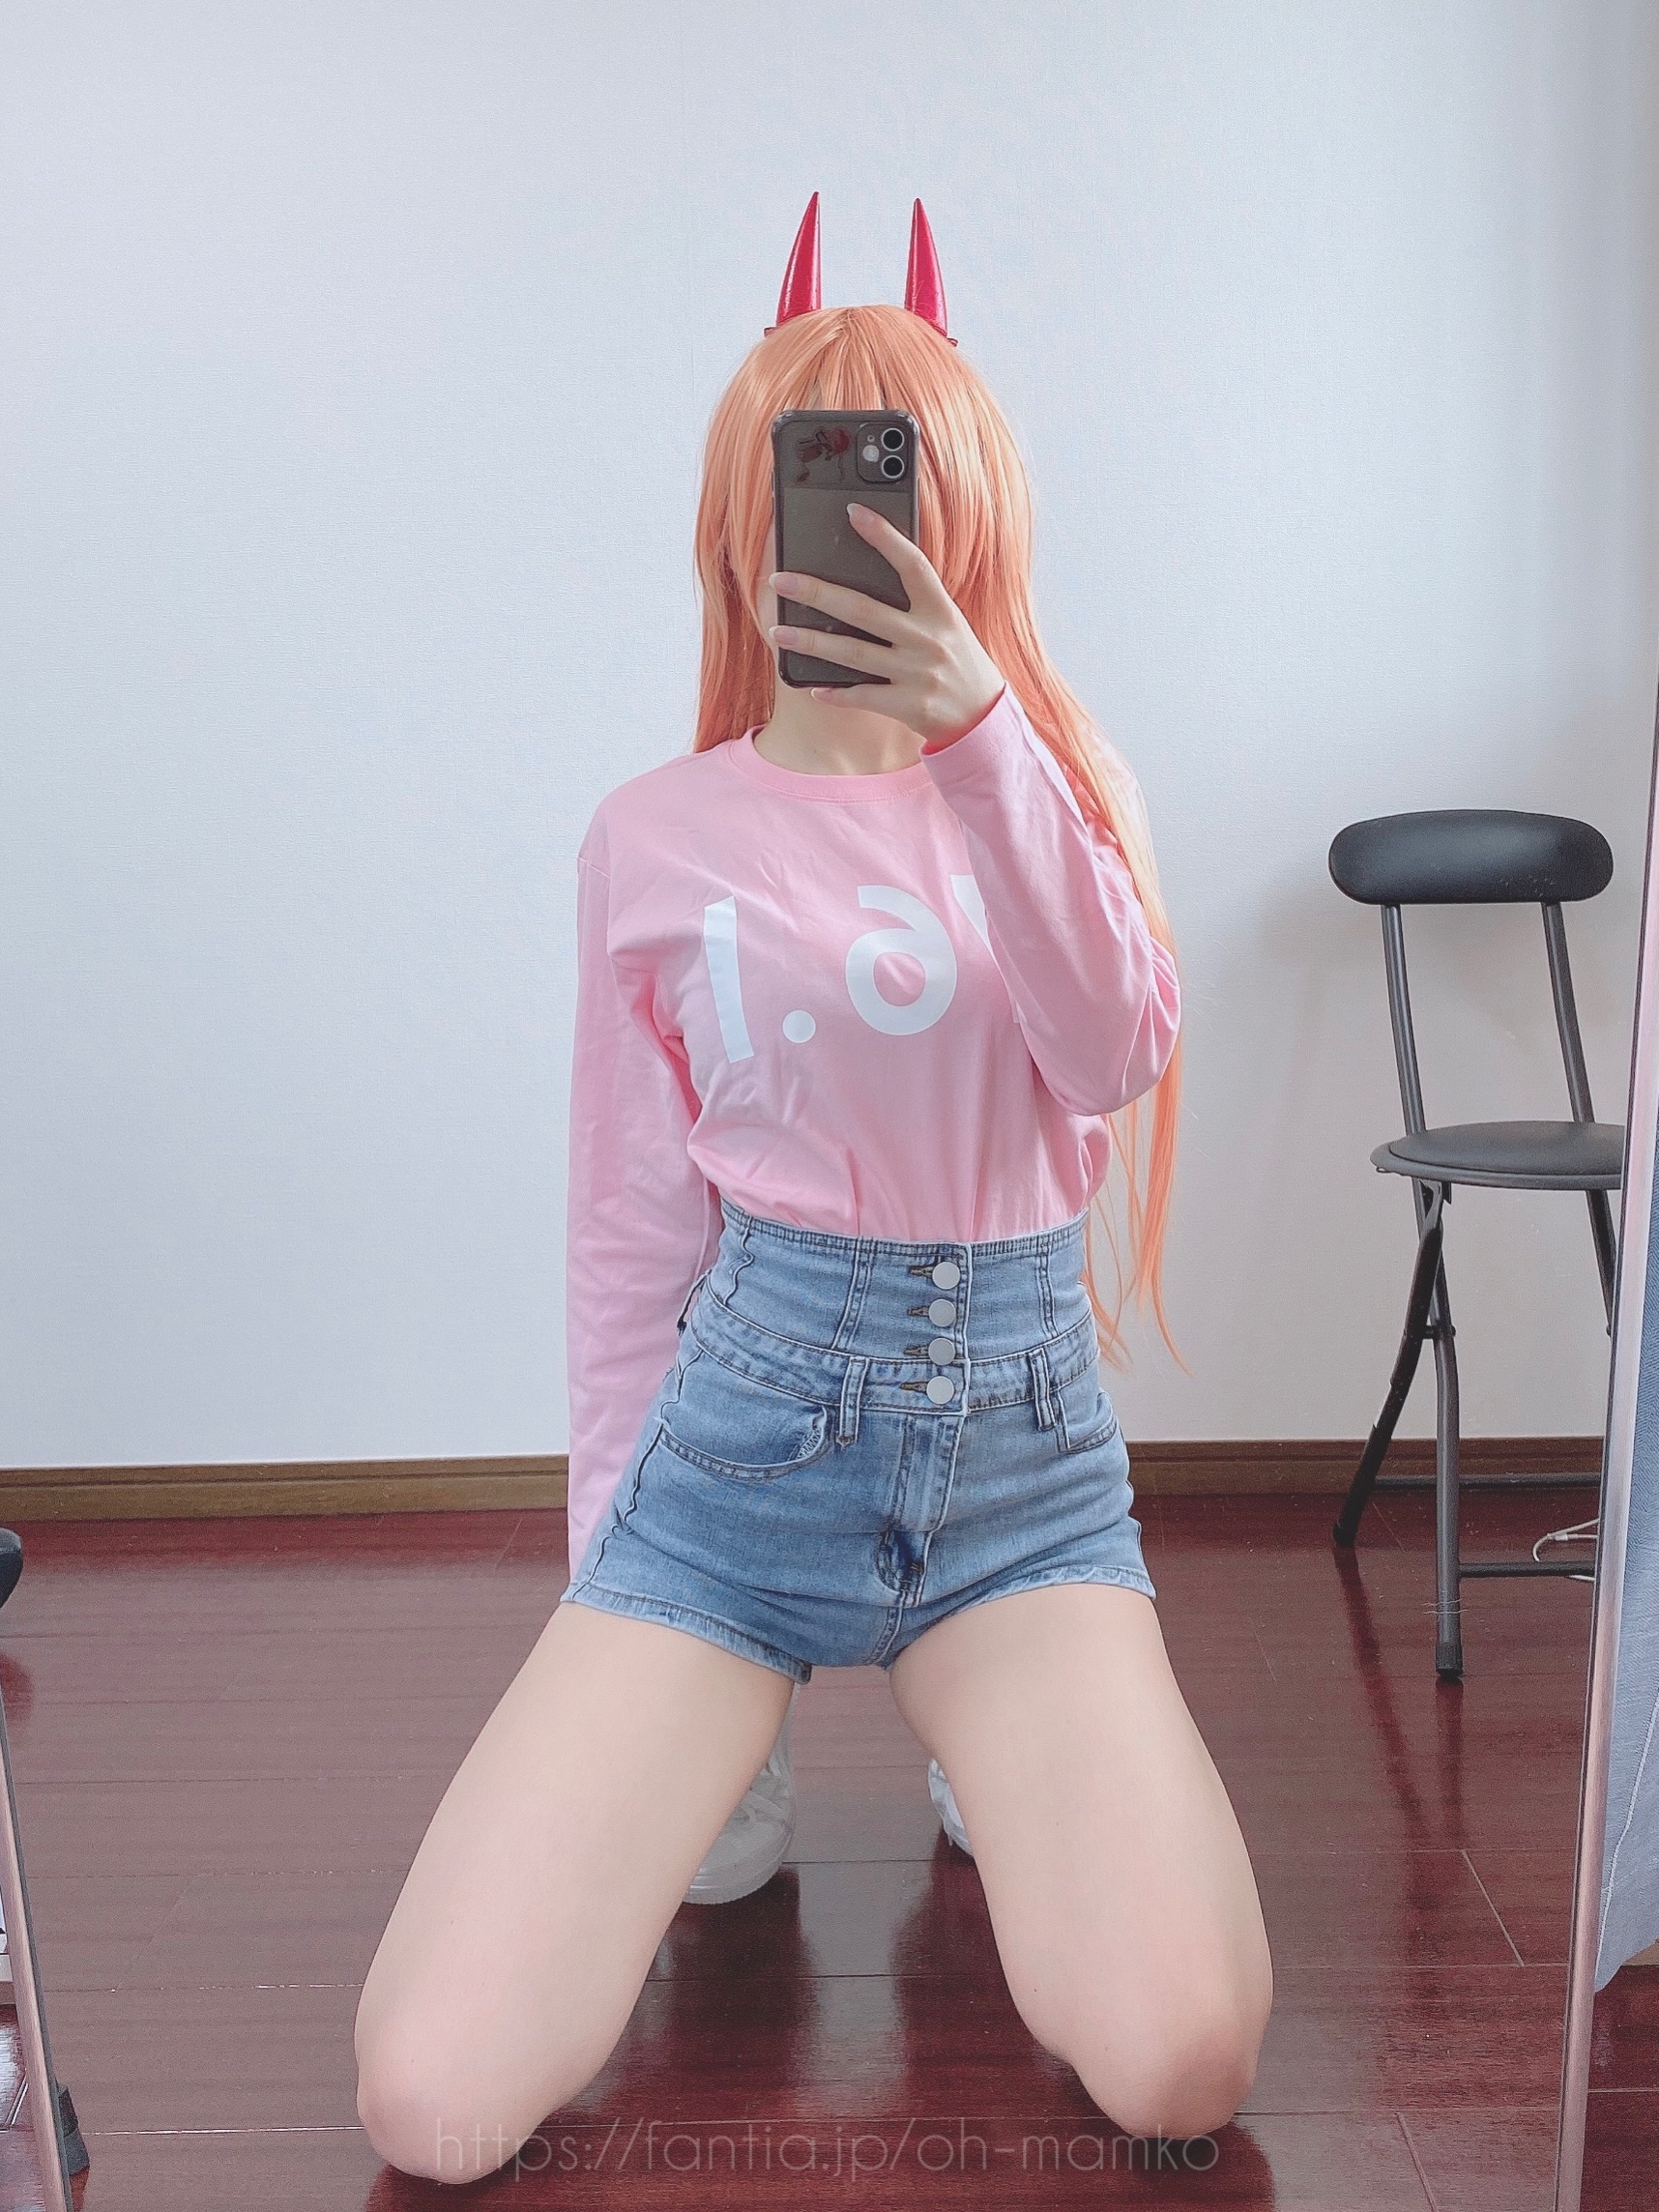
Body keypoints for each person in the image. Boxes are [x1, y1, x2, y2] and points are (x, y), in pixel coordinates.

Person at [354, 195, 1272, 2187]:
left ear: (967, 519)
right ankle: (737, 1727)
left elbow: (1116, 1050)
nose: (847, 535)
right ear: (741, 525)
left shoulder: (1057, 786)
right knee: (432, 2098)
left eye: (894, 488)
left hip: (1022, 1474)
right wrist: (610, 1559)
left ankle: (987, 1749)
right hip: (738, 1459)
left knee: (1184, 2062)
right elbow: (630, 1231)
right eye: (811, 487)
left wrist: (980, 737)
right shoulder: (656, 836)